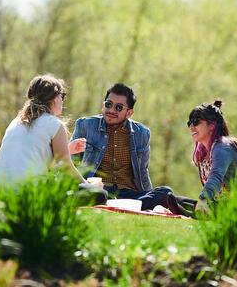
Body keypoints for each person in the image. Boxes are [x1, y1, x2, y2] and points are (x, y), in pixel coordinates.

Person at [71, 83, 182, 213]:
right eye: (108, 104)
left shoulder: (142, 133)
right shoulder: (85, 125)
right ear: (103, 105)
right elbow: (72, 162)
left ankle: (116, 205)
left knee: (166, 192)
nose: (111, 110)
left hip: (130, 193)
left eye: (118, 107)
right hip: (98, 191)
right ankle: (127, 206)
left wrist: (150, 193)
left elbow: (143, 171)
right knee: (94, 195)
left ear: (129, 112)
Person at [0, 74, 86, 190]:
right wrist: (89, 186)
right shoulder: (55, 124)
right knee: (99, 195)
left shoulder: (16, 122)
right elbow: (65, 167)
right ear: (54, 98)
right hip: (28, 196)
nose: (63, 100)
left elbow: (33, 160)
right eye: (62, 95)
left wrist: (68, 149)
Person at [177, 99, 237, 216]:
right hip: (224, 203)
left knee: (201, 205)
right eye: (190, 123)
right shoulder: (203, 153)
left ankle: (194, 213)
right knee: (171, 197)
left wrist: (203, 200)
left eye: (196, 122)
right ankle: (192, 211)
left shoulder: (223, 147)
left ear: (211, 125)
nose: (191, 127)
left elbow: (216, 177)